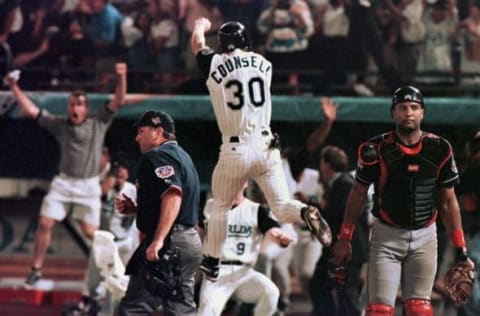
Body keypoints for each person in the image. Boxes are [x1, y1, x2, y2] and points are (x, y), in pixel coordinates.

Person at [190, 17, 332, 282]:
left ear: (223, 44)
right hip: (267, 145)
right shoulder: (263, 63)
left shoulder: (216, 62)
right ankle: (304, 211)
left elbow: (197, 45)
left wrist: (200, 27)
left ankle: (211, 259)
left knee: (220, 205)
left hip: (235, 147)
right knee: (280, 207)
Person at [331, 85, 474, 315]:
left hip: (426, 237)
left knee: (420, 309)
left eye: (414, 107)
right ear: (393, 112)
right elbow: (358, 193)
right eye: (403, 107)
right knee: (379, 311)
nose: (409, 112)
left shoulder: (440, 148)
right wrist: (344, 237)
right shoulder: (374, 149)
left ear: (422, 113)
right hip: (387, 236)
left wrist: (461, 248)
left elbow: (448, 202)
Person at [4, 62, 127, 289]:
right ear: (68, 107)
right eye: (72, 103)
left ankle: (118, 268)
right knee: (45, 222)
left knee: (92, 233)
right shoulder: (59, 124)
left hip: (89, 186)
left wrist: (121, 76)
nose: (75, 107)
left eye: (79, 104)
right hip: (63, 183)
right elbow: (31, 110)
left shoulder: (98, 122)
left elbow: (119, 100)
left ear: (85, 108)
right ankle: (36, 270)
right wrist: (13, 86)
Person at [115, 110, 203, 315]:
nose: (137, 137)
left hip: (171, 243)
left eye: (141, 131)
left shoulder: (158, 155)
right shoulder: (183, 156)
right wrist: (138, 210)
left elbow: (173, 195)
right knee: (180, 310)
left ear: (158, 132)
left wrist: (159, 239)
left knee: (134, 308)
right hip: (189, 241)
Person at [197, 183, 293, 316]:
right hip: (216, 273)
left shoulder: (256, 210)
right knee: (207, 312)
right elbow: (197, 235)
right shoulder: (209, 207)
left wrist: (279, 235)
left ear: (245, 183)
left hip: (244, 273)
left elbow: (272, 228)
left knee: (271, 292)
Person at [64, 157, 138, 315]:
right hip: (105, 240)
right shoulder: (103, 190)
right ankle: (87, 304)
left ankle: (114, 310)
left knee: (120, 280)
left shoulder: (133, 190)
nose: (120, 173)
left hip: (125, 241)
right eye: (116, 171)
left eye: (123, 169)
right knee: (93, 275)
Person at [310, 145, 369, 316]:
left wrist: (314, 210)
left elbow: (340, 215)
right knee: (321, 285)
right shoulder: (338, 184)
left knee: (346, 293)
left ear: (326, 165)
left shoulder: (344, 184)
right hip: (337, 250)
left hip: (348, 251)